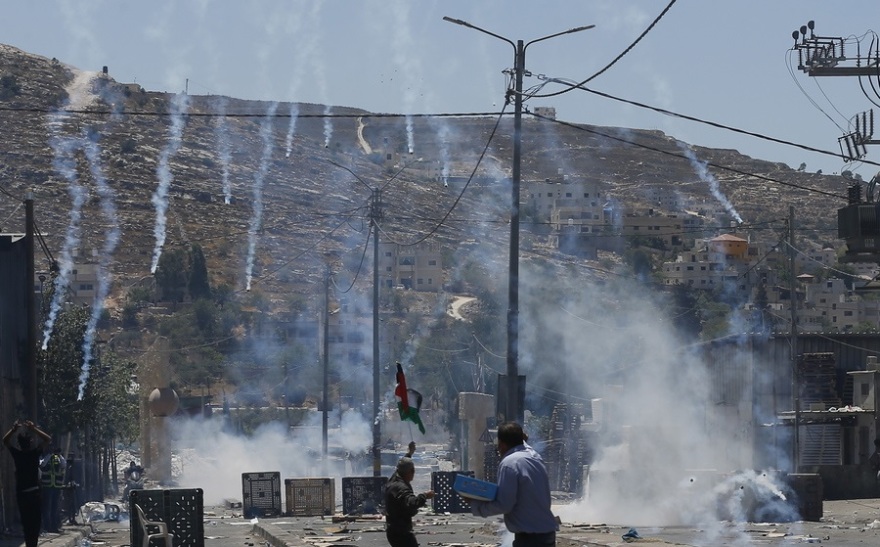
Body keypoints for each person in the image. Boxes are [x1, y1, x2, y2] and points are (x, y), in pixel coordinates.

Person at [469, 422, 558, 547]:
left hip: (530, 538)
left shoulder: (509, 464)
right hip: (547, 533)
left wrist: (476, 505)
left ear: (501, 444)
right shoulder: (535, 457)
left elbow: (504, 504)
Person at [3, 420, 52, 547]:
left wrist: (13, 430)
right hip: (34, 494)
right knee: (35, 526)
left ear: (19, 444)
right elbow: (47, 439)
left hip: (22, 496)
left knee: (26, 525)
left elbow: (5, 441)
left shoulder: (18, 455)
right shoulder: (34, 454)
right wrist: (34, 428)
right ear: (30, 443)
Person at [384, 457, 434, 547]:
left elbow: (401, 467)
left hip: (393, 530)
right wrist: (425, 495)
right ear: (411, 471)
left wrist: (409, 454)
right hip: (401, 533)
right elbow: (412, 503)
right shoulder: (401, 488)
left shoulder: (394, 480)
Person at [40, 445, 67, 532]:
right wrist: (49, 455)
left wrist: (59, 455)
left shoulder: (58, 458)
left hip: (56, 487)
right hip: (47, 486)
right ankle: (47, 527)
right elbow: (42, 464)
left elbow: (64, 464)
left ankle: (54, 527)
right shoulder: (44, 458)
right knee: (47, 508)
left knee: (54, 508)